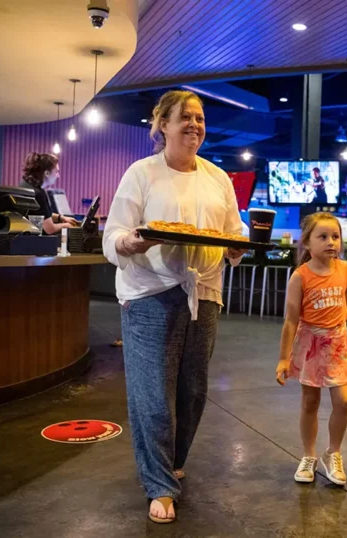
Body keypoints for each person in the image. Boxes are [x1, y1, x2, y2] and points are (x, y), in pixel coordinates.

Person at [103, 90, 247, 524]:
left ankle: (173, 460)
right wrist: (131, 242)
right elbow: (115, 235)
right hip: (149, 293)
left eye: (199, 118)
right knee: (153, 395)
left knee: (193, 392)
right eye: (185, 117)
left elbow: (233, 231)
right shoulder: (142, 173)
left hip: (204, 293)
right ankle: (160, 483)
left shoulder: (218, 178)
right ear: (162, 124)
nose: (194, 125)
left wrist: (238, 247)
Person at [275, 212, 347, 487]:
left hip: (337, 343)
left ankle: (333, 452)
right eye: (323, 237)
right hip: (310, 344)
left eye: (335, 236)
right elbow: (291, 320)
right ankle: (308, 456)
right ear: (307, 242)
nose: (331, 242)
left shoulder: (344, 269)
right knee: (310, 402)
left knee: (344, 401)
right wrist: (283, 358)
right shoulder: (300, 277)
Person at [18, 153, 78, 234]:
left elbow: (42, 213)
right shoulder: (39, 194)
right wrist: (67, 225)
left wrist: (60, 218)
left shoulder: (25, 184)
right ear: (47, 173)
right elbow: (50, 229)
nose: (58, 176)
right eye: (56, 172)